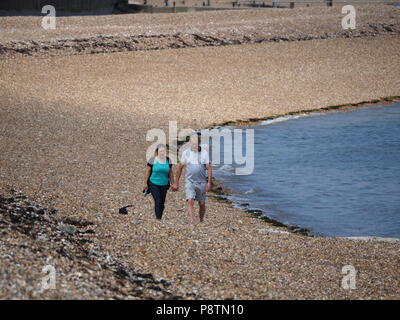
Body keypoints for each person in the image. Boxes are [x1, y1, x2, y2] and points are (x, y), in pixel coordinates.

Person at [173, 133, 212, 223]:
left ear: (199, 142)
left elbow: (209, 168)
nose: (194, 144)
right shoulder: (186, 153)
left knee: (201, 203)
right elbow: (180, 168)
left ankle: (201, 220)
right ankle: (192, 220)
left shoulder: (204, 153)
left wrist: (209, 182)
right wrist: (176, 182)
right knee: (190, 200)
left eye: (196, 142)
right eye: (193, 142)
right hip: (190, 181)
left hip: (201, 182)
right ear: (190, 142)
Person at [144, 144, 175, 220]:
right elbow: (148, 171)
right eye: (160, 151)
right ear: (157, 151)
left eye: (163, 151)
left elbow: (170, 172)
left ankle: (159, 217)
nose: (162, 152)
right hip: (153, 183)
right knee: (158, 201)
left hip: (164, 184)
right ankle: (158, 219)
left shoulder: (168, 160)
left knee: (162, 203)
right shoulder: (152, 160)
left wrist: (173, 183)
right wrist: (145, 183)